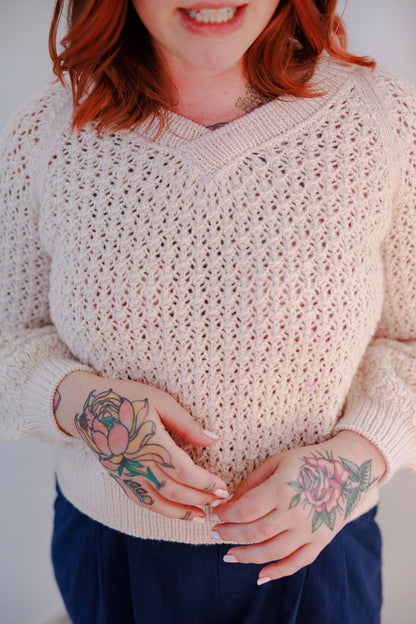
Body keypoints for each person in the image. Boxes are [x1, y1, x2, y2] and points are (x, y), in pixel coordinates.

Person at [1, 0, 416, 622]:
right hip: (111, 556)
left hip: (320, 557)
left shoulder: (379, 120)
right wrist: (81, 403)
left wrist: (360, 454)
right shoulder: (50, 133)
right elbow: (10, 334)